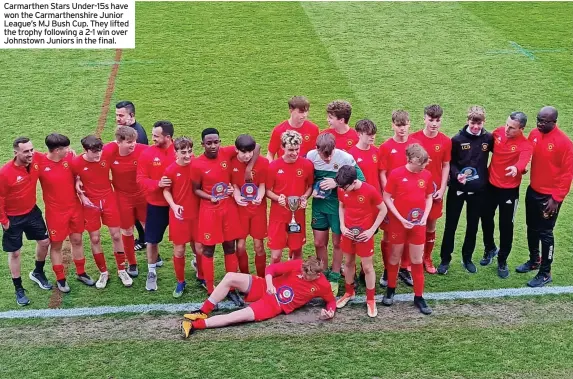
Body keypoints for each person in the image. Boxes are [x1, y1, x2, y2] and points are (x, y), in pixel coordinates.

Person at [180, 257, 336, 338]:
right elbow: (271, 269)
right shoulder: (299, 264)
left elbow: (331, 301)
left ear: (318, 274)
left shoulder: (323, 285)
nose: (302, 275)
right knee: (230, 277)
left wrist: (330, 312)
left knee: (235, 317)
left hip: (275, 305)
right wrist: (269, 284)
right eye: (302, 272)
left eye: (306, 275)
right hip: (265, 286)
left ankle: (195, 326)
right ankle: (203, 310)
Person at [191, 128, 260, 306]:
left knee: (230, 247)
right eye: (209, 143)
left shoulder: (226, 152)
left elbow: (256, 146)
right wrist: (210, 197)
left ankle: (231, 288)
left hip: (228, 209)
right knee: (208, 250)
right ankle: (210, 288)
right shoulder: (197, 164)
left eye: (216, 142)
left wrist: (248, 169)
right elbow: (196, 189)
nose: (213, 146)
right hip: (209, 211)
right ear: (203, 144)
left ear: (220, 142)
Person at [516, 106, 573, 287]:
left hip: (549, 198)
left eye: (544, 121)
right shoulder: (534, 133)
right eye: (538, 119)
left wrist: (556, 199)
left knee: (545, 233)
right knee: (531, 228)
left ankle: (545, 272)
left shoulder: (564, 143)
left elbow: (567, 174)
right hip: (533, 191)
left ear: (554, 122)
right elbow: (527, 152)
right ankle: (534, 260)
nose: (539, 123)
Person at [307, 132, 365, 295]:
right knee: (319, 242)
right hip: (319, 205)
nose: (327, 159)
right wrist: (312, 191)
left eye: (330, 155)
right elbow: (306, 180)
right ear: (316, 149)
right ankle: (323, 273)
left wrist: (337, 182)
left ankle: (333, 276)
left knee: (338, 242)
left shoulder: (345, 158)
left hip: (338, 206)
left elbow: (360, 180)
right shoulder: (310, 157)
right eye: (323, 155)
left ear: (335, 149)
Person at [438, 106, 493, 275]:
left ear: (483, 122)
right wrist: (456, 176)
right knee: (451, 226)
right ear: (467, 121)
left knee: (472, 226)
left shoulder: (488, 138)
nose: (476, 126)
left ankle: (467, 258)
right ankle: (445, 260)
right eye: (473, 122)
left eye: (479, 123)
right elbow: (450, 162)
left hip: (478, 191)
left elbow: (501, 155)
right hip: (457, 189)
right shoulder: (457, 139)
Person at [38, 134, 95, 292]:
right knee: (56, 245)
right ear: (57, 150)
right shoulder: (40, 163)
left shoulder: (69, 157)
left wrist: (77, 180)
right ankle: (60, 278)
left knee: (77, 240)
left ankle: (81, 272)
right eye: (66, 148)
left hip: (74, 208)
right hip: (55, 213)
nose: (69, 150)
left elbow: (77, 173)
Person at [72, 135, 132, 289]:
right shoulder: (77, 162)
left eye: (99, 151)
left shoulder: (106, 152)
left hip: (108, 199)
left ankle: (121, 269)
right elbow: (72, 176)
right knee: (95, 238)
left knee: (116, 235)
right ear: (85, 150)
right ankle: (103, 272)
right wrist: (80, 193)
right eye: (94, 152)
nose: (98, 155)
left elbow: (121, 139)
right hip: (90, 204)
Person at [382, 144, 433, 315]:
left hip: (418, 225)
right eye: (422, 163)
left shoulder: (426, 175)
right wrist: (401, 219)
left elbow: (428, 197)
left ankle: (419, 296)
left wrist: (425, 216)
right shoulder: (396, 174)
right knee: (394, 256)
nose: (425, 166)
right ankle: (390, 289)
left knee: (417, 260)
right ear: (412, 160)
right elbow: (387, 197)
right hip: (398, 224)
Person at [480, 112, 532, 278]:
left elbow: (523, 161)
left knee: (506, 225)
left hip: (509, 191)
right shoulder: (498, 132)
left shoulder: (526, 144)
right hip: (490, 187)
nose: (507, 129)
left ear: (521, 129)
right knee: (486, 218)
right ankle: (490, 248)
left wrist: (517, 168)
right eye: (507, 125)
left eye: (512, 128)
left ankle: (502, 259)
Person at [0, 137, 51, 305]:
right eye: (26, 151)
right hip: (12, 218)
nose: (31, 154)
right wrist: (4, 220)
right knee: (14, 252)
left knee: (44, 242)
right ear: (16, 153)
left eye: (31, 150)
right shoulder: (5, 173)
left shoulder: (35, 159)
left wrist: (68, 154)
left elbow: (51, 156)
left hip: (31, 211)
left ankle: (37, 272)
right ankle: (18, 288)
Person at [335, 165, 387, 317]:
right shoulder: (342, 189)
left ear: (354, 181)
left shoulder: (370, 190)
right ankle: (349, 293)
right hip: (348, 234)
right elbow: (342, 206)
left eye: (345, 187)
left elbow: (383, 209)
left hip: (365, 235)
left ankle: (370, 300)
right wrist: (343, 226)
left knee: (367, 267)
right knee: (349, 263)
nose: (343, 190)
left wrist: (371, 230)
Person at [378, 110, 420, 287]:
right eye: (398, 125)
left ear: (409, 124)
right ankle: (388, 270)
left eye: (404, 125)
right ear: (392, 125)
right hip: (392, 200)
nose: (402, 129)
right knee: (389, 235)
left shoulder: (415, 145)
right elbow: (382, 173)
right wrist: (390, 196)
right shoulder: (386, 147)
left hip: (410, 200)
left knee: (408, 233)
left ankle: (404, 267)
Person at [103, 126, 148, 278]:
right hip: (122, 198)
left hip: (142, 195)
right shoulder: (109, 151)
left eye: (134, 141)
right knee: (127, 230)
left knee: (148, 228)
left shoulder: (142, 149)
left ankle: (153, 259)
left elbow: (161, 154)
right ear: (119, 142)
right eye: (129, 142)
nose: (133, 145)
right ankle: (132, 262)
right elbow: (92, 159)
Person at [411, 105, 451, 274]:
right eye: (431, 119)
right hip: (416, 191)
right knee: (413, 224)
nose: (434, 123)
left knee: (430, 226)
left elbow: (446, 165)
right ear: (424, 118)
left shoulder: (445, 141)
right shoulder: (414, 139)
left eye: (437, 120)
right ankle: (412, 260)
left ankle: (426, 258)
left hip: (434, 192)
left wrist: (442, 189)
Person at [137, 121, 176, 291]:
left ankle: (198, 268)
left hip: (178, 204)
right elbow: (140, 179)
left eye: (156, 136)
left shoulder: (181, 151)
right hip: (156, 205)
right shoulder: (147, 154)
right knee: (151, 240)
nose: (152, 138)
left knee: (189, 239)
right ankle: (151, 272)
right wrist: (157, 184)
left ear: (168, 137)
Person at [266, 130, 314, 263]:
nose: (294, 153)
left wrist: (304, 197)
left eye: (297, 149)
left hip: (297, 215)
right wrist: (277, 198)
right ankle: (273, 281)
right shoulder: (273, 167)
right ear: (282, 147)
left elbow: (310, 186)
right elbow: (267, 191)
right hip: (278, 216)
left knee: (297, 252)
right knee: (276, 256)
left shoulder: (307, 165)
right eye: (290, 149)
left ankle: (293, 280)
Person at [163, 137, 200, 298]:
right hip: (179, 216)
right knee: (179, 250)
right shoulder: (171, 170)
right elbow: (166, 191)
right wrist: (174, 205)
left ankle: (203, 276)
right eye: (183, 152)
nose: (187, 155)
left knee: (199, 248)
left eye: (189, 151)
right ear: (175, 152)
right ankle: (180, 281)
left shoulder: (198, 165)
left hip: (198, 215)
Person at [231, 134, 269, 277]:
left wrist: (259, 196)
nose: (247, 156)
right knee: (240, 246)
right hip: (240, 210)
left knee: (258, 246)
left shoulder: (263, 163)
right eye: (243, 152)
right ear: (236, 150)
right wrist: (236, 195)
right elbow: (234, 183)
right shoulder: (232, 162)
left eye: (249, 152)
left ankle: (261, 278)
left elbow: (263, 184)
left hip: (257, 209)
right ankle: (245, 277)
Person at [115, 101, 148, 251]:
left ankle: (144, 240)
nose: (117, 118)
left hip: (136, 187)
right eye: (116, 115)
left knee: (140, 218)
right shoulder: (128, 130)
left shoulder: (137, 137)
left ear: (132, 116)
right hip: (131, 188)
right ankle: (143, 239)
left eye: (121, 115)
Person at [266, 96, 319, 160]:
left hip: (305, 168)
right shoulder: (279, 130)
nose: (304, 115)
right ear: (291, 111)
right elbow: (270, 154)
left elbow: (317, 152)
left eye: (306, 111)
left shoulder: (313, 129)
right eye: (301, 112)